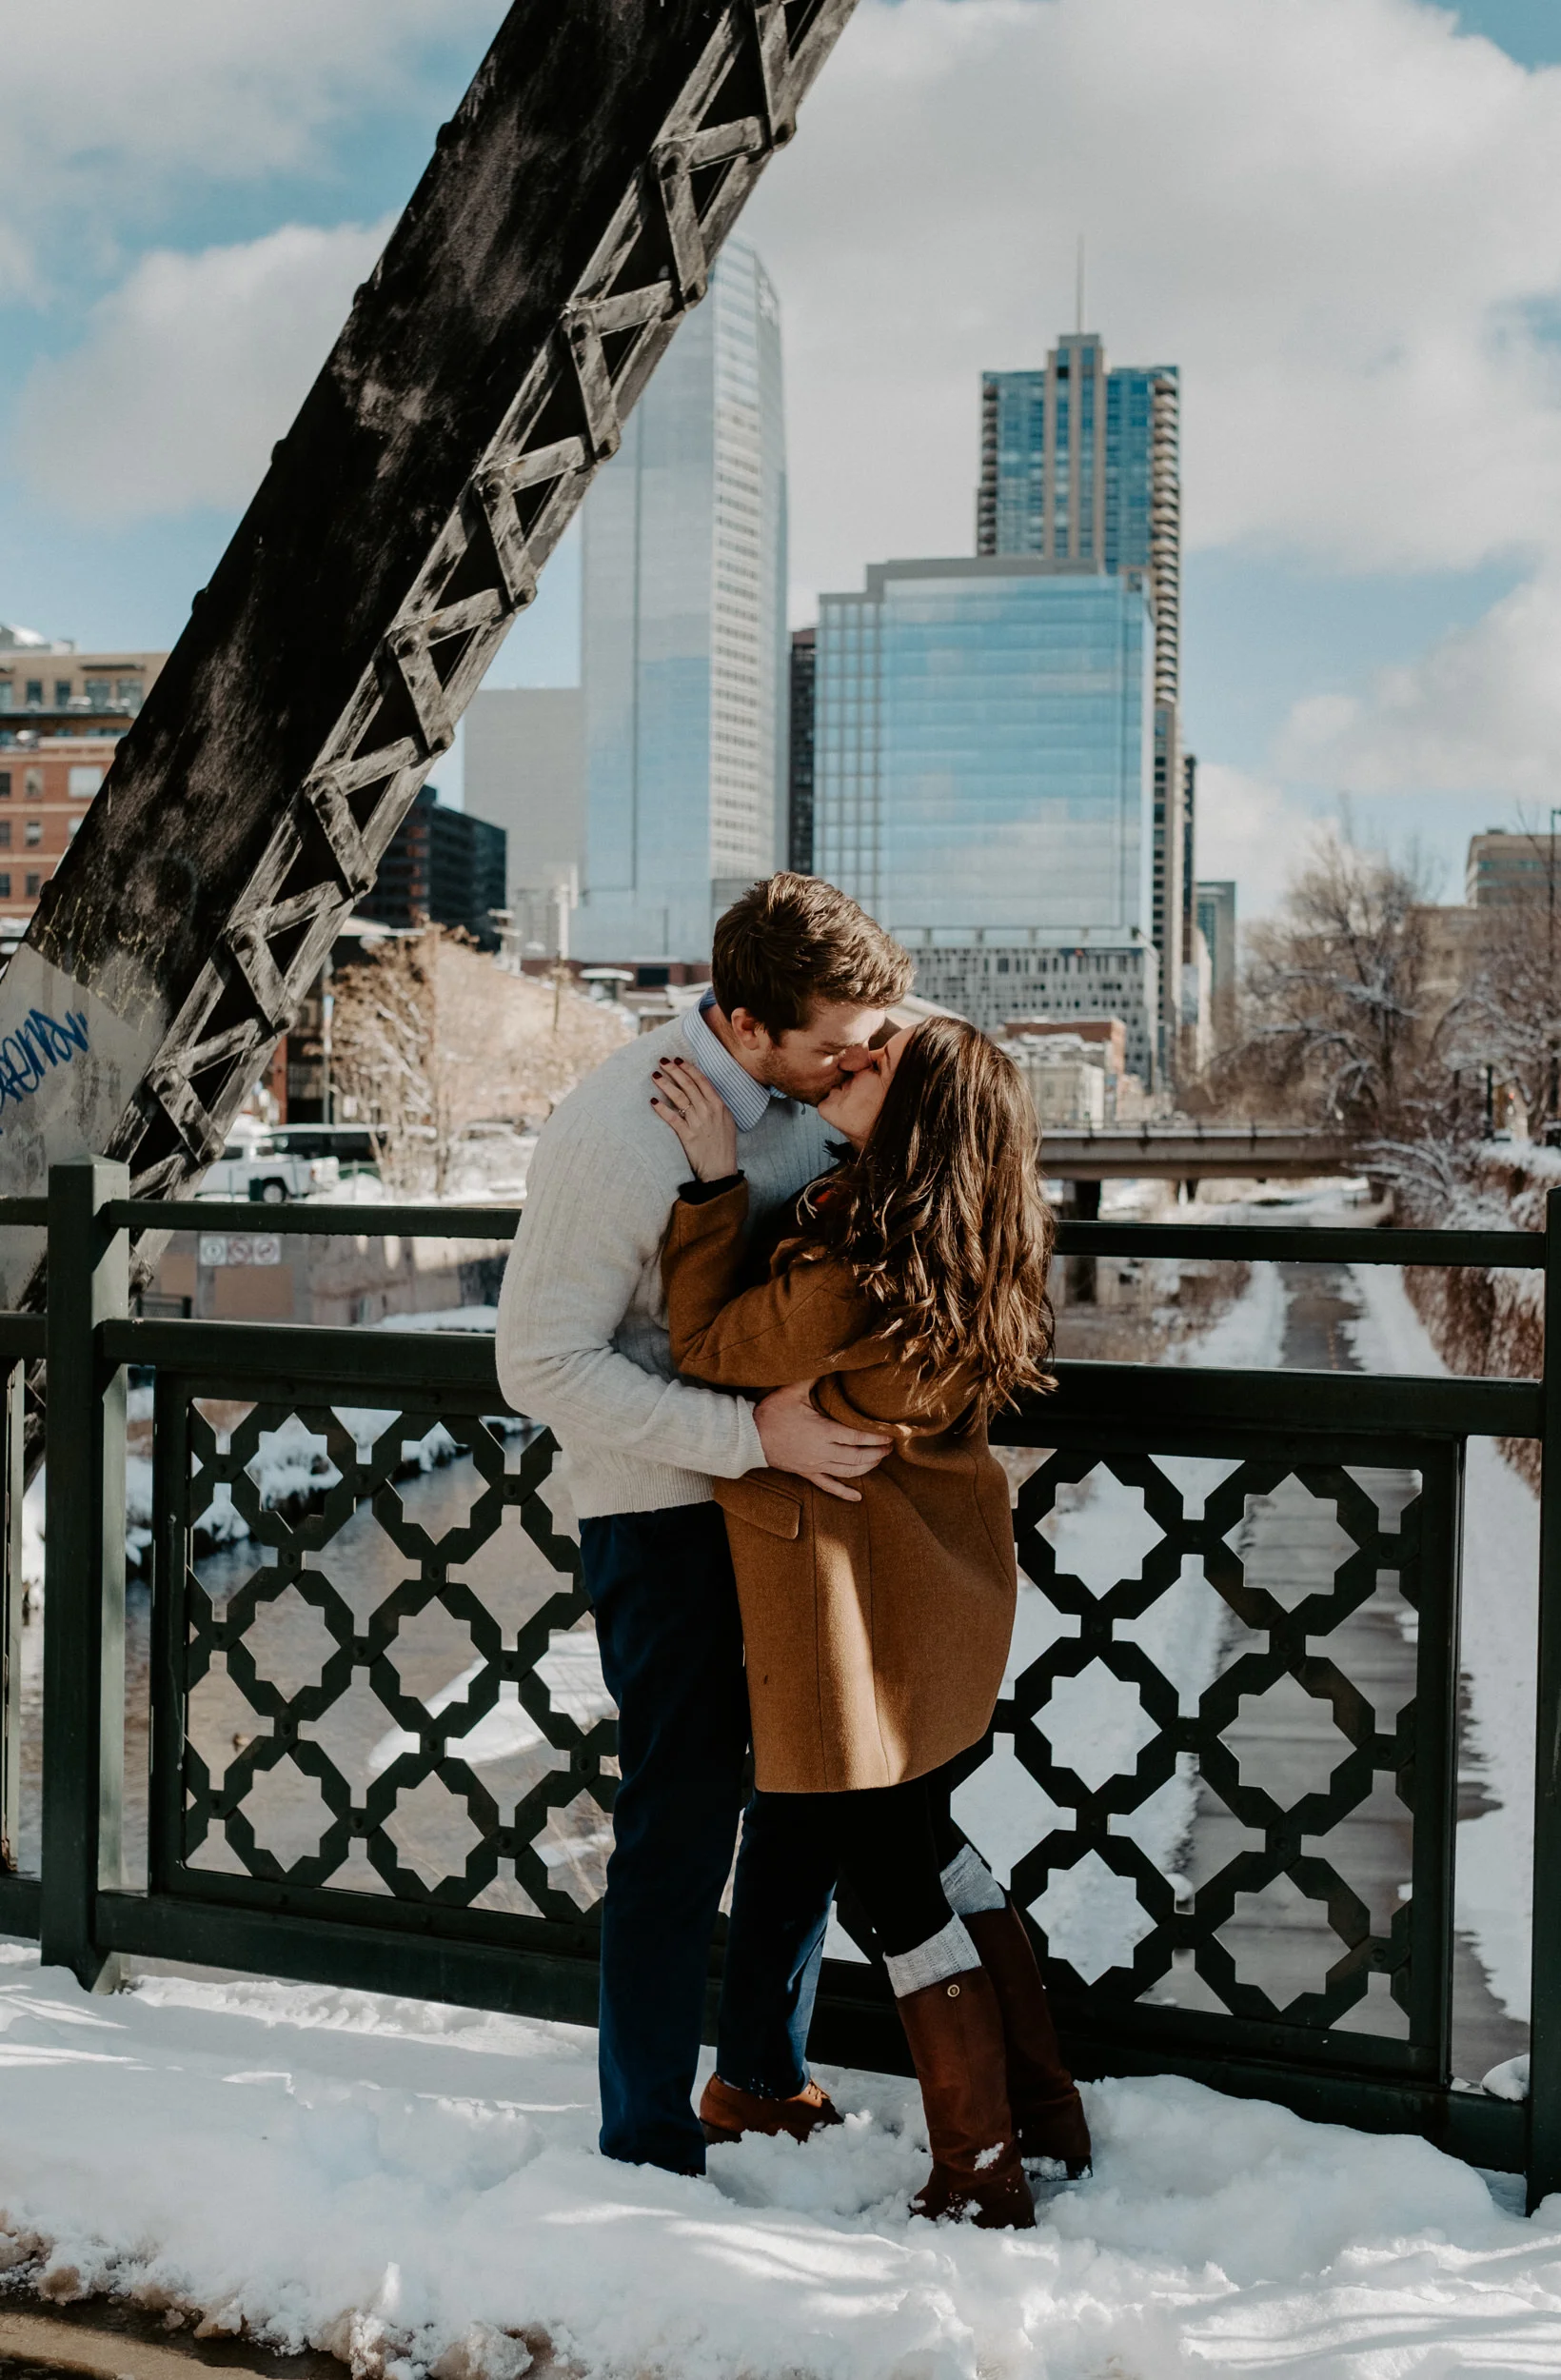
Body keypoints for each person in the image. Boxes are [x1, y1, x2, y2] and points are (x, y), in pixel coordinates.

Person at [496, 874, 915, 2177]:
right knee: (677, 1830)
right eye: (838, 1044)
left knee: (807, 1802)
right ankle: (644, 2141)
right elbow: (539, 1366)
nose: (862, 1062)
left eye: (871, 1039)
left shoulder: (817, 1079)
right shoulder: (619, 1132)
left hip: (790, 1510)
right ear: (742, 1026)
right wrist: (748, 1438)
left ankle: (759, 2076)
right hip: (672, 1516)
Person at [650, 1014, 1090, 2230]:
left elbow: (701, 1343)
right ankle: (1039, 2116)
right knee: (920, 1843)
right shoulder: (970, 1253)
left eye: (877, 1062)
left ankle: (979, 2168)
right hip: (936, 1599)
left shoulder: (852, 1274)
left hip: (851, 1619)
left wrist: (714, 1188)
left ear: (917, 1123)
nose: (849, 1061)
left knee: (892, 1875)